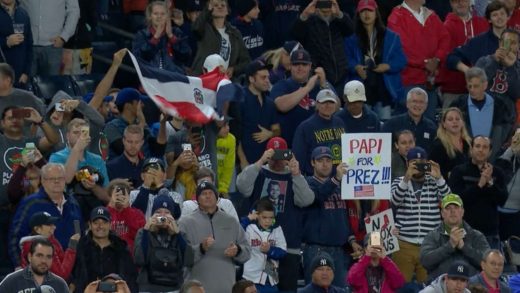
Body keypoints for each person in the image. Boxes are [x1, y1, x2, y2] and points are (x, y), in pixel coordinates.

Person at [237, 136, 314, 292]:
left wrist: (297, 173)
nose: (277, 161)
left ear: (287, 155)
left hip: (287, 246)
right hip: (257, 248)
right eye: (273, 157)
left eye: (280, 156)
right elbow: (242, 187)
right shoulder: (259, 172)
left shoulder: (293, 176)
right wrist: (260, 162)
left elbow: (307, 200)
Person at [390, 146, 451, 284]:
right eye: (414, 162)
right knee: (399, 286)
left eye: (421, 162)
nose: (418, 166)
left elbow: (449, 202)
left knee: (430, 286)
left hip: (430, 245)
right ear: (407, 164)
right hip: (404, 244)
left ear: (427, 163)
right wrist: (406, 178)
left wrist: (440, 178)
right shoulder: (399, 181)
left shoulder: (435, 181)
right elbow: (394, 201)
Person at [302, 146, 361, 287]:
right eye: (320, 160)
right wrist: (336, 179)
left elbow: (344, 217)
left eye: (328, 160)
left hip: (339, 250)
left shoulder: (340, 186)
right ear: (312, 163)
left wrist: (352, 240)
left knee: (341, 290)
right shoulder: (307, 183)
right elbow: (317, 197)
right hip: (316, 249)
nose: (325, 164)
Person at [179, 181, 251, 293]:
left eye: (210, 193)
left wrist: (238, 250)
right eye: (203, 194)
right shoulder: (185, 223)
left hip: (226, 288)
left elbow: (247, 252)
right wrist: (201, 248)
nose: (208, 196)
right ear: (197, 199)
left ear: (217, 197)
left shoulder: (231, 221)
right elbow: (181, 256)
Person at [9, 163, 83, 267]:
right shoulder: (30, 204)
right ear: (42, 181)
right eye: (51, 178)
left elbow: (81, 238)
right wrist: (18, 266)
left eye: (60, 178)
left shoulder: (74, 204)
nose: (56, 181)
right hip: (38, 272)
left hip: (71, 273)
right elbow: (15, 237)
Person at [387, 0, 450, 119]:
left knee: (429, 125)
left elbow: (445, 38)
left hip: (430, 82)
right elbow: (401, 47)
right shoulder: (396, 17)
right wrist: (425, 63)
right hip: (408, 81)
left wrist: (437, 59)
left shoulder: (431, 15)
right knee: (407, 125)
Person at [345, 0, 407, 119]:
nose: (366, 14)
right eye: (362, 11)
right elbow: (347, 60)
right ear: (358, 14)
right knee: (363, 127)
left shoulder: (392, 37)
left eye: (369, 10)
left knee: (385, 129)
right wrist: (356, 67)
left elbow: (401, 60)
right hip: (362, 90)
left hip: (383, 90)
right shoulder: (351, 39)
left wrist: (387, 66)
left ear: (376, 13)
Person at [448, 135, 508, 249]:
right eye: (478, 146)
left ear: (490, 152)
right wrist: (479, 185)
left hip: (490, 234)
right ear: (471, 149)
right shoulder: (459, 171)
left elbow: (502, 200)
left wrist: (490, 183)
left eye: (485, 147)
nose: (481, 150)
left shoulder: (497, 173)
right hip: (464, 233)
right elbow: (456, 202)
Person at [449, 67, 514, 161]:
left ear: (485, 85)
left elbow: (506, 129)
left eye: (475, 86)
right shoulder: (459, 104)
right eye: (469, 86)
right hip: (465, 160)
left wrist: (493, 153)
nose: (471, 90)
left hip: (492, 160)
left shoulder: (500, 105)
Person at [420, 194, 490, 280]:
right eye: (448, 208)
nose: (452, 211)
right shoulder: (432, 236)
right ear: (442, 213)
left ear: (462, 212)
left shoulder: (476, 236)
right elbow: (426, 262)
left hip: (470, 287)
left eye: (456, 207)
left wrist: (464, 247)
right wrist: (450, 245)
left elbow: (488, 263)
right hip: (441, 287)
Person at [269, 49, 330, 147]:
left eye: (304, 64)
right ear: (290, 66)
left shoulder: (319, 86)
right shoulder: (282, 85)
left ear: (310, 66)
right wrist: (307, 88)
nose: (300, 68)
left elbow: (336, 107)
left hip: (317, 146)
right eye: (296, 64)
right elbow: (281, 105)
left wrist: (324, 85)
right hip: (290, 145)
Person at [49, 118, 110, 215]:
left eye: (83, 133)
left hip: (94, 212)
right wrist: (77, 148)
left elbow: (107, 197)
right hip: (67, 211)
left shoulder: (97, 160)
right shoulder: (56, 158)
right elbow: (67, 179)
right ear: (67, 136)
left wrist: (93, 187)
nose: (80, 136)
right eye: (76, 132)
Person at [71, 206, 138, 293]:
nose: (100, 226)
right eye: (96, 223)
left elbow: (131, 277)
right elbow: (74, 276)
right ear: (90, 225)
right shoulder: (80, 246)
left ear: (110, 224)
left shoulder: (121, 247)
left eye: (104, 222)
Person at [291, 0, 353, 92]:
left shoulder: (339, 18)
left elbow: (350, 30)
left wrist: (339, 14)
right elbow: (295, 34)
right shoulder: (309, 19)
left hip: (341, 74)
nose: (325, 3)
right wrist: (305, 15)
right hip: (319, 74)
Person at [438, 0, 489, 107]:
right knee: (451, 122)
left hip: (482, 89)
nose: (460, 3)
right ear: (450, 3)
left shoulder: (483, 23)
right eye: (456, 1)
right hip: (453, 90)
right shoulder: (444, 27)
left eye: (464, 0)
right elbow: (446, 57)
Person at [134, 194, 186, 292]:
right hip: (148, 287)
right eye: (158, 212)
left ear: (172, 216)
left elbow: (188, 260)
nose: (162, 216)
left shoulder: (179, 233)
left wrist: (177, 234)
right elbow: (139, 259)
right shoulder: (143, 232)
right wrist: (147, 231)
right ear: (152, 215)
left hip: (173, 287)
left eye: (167, 212)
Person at [190, 0, 251, 78]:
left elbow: (246, 60)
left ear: (227, 11)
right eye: (215, 5)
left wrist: (234, 69)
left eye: (223, 5)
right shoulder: (204, 28)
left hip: (225, 80)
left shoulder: (235, 33)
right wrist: (207, 10)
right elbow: (195, 28)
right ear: (210, 9)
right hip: (203, 78)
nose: (220, 7)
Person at [238, 59, 280, 169]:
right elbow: (235, 135)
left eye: (268, 77)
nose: (267, 81)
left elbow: (277, 130)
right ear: (251, 79)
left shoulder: (270, 103)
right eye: (263, 77)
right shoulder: (240, 100)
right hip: (246, 163)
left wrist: (270, 134)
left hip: (268, 164)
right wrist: (243, 161)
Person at [447, 1, 510, 74]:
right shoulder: (478, 42)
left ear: (508, 17)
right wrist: (468, 70)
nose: (499, 17)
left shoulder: (517, 38)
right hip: (487, 84)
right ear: (489, 20)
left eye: (502, 14)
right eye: (495, 15)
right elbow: (451, 58)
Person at [292, 89, 345, 175]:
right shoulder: (305, 127)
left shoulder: (340, 123)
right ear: (317, 104)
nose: (328, 105)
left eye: (331, 102)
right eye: (324, 102)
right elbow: (299, 157)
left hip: (339, 177)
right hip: (316, 180)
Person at [19, 0, 79, 76]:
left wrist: (64, 36)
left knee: (51, 85)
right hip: (27, 45)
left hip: (53, 46)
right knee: (25, 85)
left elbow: (74, 11)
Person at [104, 87, 167, 159]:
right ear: (128, 106)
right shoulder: (112, 127)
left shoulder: (140, 124)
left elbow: (159, 150)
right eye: (139, 103)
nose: (143, 105)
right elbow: (128, 152)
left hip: (147, 167)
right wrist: (142, 124)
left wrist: (163, 123)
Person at [241, 199, 287, 292]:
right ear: (257, 215)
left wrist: (270, 250)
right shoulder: (250, 228)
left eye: (271, 218)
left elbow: (283, 252)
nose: (268, 221)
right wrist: (247, 219)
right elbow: (236, 233)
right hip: (251, 279)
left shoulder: (277, 229)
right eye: (264, 217)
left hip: (271, 280)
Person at [132, 1, 190, 74]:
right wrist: (156, 37)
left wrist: (171, 36)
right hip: (150, 78)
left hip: (175, 78)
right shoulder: (141, 34)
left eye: (162, 14)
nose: (159, 16)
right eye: (156, 13)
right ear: (150, 16)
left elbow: (186, 56)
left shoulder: (176, 32)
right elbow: (139, 59)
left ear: (167, 16)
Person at [19, 211, 79, 280]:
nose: (54, 227)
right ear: (37, 229)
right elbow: (60, 275)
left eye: (53, 224)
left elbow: (62, 263)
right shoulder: (38, 247)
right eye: (49, 225)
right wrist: (72, 246)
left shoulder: (51, 240)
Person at [475, 28, 520, 113]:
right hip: (483, 110)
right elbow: (476, 85)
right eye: (506, 42)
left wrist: (510, 67)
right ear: (500, 43)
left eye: (513, 43)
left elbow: (516, 94)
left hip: (506, 117)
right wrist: (494, 61)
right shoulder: (483, 61)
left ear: (518, 46)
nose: (509, 46)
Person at [0, 238, 69, 292]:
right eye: (39, 255)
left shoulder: (60, 284)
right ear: (30, 257)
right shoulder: (11, 281)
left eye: (48, 257)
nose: (44, 261)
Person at [382, 88, 437, 152]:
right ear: (407, 104)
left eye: (421, 102)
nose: (418, 105)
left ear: (426, 105)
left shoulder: (432, 127)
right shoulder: (391, 124)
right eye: (414, 101)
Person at [428, 107, 472, 179]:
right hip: (445, 186)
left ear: (462, 123)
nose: (454, 122)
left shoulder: (469, 143)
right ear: (444, 124)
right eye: (450, 119)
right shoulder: (438, 145)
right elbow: (431, 170)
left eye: (457, 119)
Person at [106, 179, 145, 253]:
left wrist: (127, 210)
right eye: (116, 194)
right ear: (110, 196)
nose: (120, 198)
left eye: (123, 194)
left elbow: (138, 236)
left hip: (129, 256)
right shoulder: (103, 213)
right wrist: (111, 208)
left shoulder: (137, 214)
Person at [0, 0, 32, 87]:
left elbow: (29, 46)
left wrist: (26, 72)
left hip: (20, 76)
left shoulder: (23, 14)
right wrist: (6, 42)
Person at [496, 128, 520, 240]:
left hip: (517, 214)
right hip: (498, 212)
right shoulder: (503, 153)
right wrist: (510, 150)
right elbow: (497, 172)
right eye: (517, 138)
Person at [216, 118, 235, 196]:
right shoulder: (205, 138)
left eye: (228, 125)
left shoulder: (231, 139)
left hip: (221, 184)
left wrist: (223, 189)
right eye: (224, 126)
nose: (228, 128)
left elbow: (228, 167)